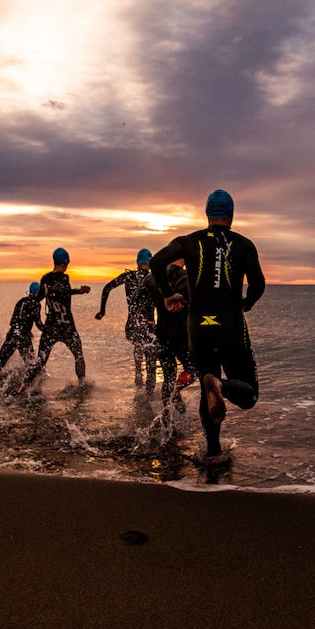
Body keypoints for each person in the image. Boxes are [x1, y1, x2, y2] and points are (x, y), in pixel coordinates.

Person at [149, 189, 265, 462]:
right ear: (231, 215)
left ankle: (213, 451)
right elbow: (259, 284)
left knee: (205, 385)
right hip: (231, 325)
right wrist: (247, 302)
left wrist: (168, 294)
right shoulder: (243, 244)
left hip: (198, 328)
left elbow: (156, 262)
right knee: (249, 395)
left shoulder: (189, 242)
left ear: (207, 215)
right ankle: (221, 386)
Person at [21, 248, 92, 390]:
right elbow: (61, 291)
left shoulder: (45, 278)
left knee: (41, 359)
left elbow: (38, 299)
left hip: (50, 326)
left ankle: (23, 386)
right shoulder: (63, 278)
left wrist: (26, 322)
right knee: (78, 355)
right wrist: (79, 291)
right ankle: (82, 385)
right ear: (65, 262)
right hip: (66, 325)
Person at [95, 249, 160, 392]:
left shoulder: (128, 276)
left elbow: (107, 288)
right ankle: (149, 394)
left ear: (137, 262)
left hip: (132, 326)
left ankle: (138, 377)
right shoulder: (153, 278)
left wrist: (102, 311)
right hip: (148, 325)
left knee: (138, 345)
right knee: (151, 359)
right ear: (150, 262)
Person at [147, 262, 196, 414]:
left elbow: (136, 298)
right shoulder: (186, 278)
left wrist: (145, 318)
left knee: (168, 376)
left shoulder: (151, 280)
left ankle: (166, 415)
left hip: (161, 334)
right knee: (193, 370)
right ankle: (176, 390)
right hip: (181, 335)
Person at [0, 281, 45, 380]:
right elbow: (38, 323)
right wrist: (47, 330)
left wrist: (26, 329)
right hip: (22, 336)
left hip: (12, 333)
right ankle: (31, 385)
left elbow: (15, 320)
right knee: (31, 364)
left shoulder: (21, 301)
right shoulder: (36, 304)